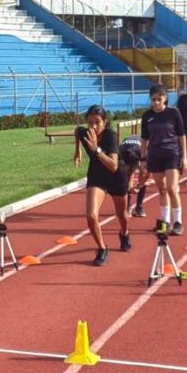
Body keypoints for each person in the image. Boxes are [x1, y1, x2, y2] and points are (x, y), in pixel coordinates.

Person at [74, 105, 131, 266]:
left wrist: (96, 149)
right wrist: (77, 151)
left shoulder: (110, 135)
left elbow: (113, 165)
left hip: (116, 175)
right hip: (97, 174)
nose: (93, 126)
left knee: (122, 215)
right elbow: (76, 131)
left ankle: (124, 233)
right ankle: (102, 248)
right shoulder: (84, 132)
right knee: (91, 215)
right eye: (90, 122)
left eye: (97, 122)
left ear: (104, 122)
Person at [141, 84, 187, 236]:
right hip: (154, 155)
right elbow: (144, 138)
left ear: (165, 99)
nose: (156, 103)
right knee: (161, 189)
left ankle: (178, 222)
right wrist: (143, 159)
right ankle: (165, 221)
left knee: (172, 188)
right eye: (153, 99)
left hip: (172, 154)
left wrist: (185, 157)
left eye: (159, 99)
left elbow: (182, 135)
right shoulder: (147, 116)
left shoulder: (174, 113)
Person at [118, 134, 149, 217]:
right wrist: (129, 184)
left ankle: (139, 208)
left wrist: (139, 186)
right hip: (125, 152)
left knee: (143, 178)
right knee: (124, 180)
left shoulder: (144, 151)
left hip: (138, 151)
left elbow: (146, 173)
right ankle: (127, 207)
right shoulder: (120, 152)